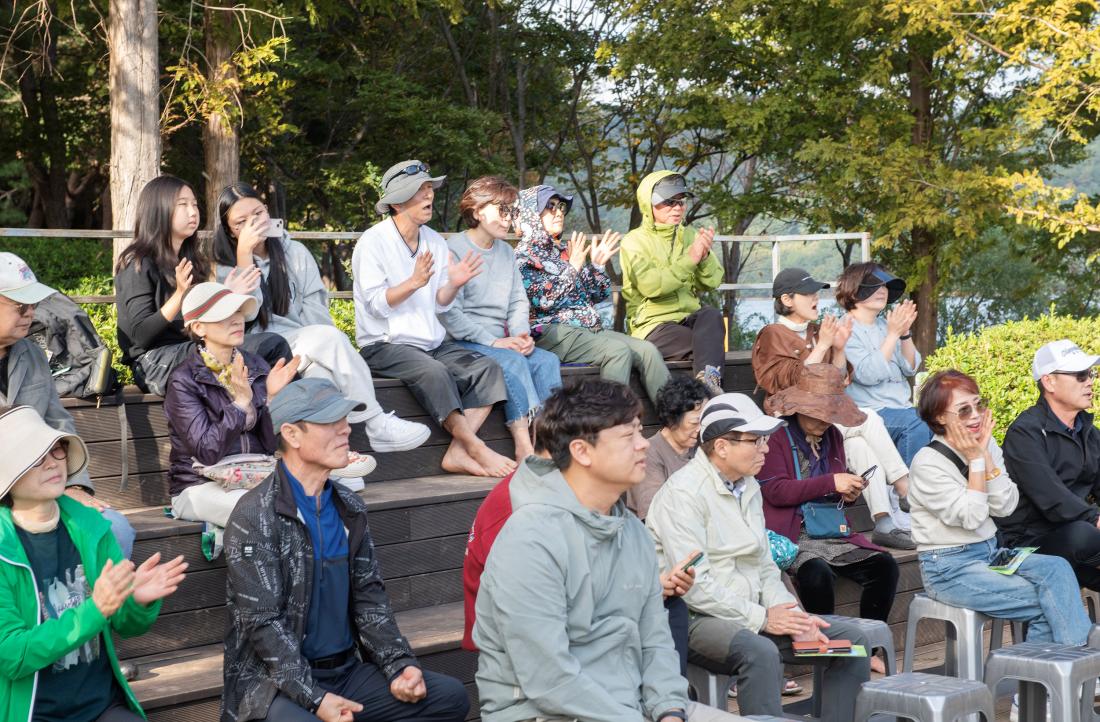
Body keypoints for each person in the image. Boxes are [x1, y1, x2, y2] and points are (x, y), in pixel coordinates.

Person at [472, 379, 738, 722]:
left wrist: (670, 710)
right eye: (629, 436)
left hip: (633, 706)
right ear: (582, 451)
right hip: (546, 713)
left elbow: (656, 642)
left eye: (641, 432)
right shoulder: (530, 539)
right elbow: (549, 679)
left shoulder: (633, 533)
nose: (644, 445)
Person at [221, 378, 470, 722]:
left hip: (346, 673)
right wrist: (315, 699)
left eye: (345, 420)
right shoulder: (254, 515)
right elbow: (262, 624)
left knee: (450, 698)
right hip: (272, 684)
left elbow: (370, 598)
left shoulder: (349, 507)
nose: (345, 430)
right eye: (330, 422)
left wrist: (398, 666)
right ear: (292, 434)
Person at [646, 392, 871, 722]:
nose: (766, 448)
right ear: (722, 446)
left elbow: (765, 565)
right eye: (757, 440)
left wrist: (790, 613)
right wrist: (764, 619)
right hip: (696, 618)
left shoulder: (748, 485)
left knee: (853, 640)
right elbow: (696, 588)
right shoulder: (683, 495)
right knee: (760, 652)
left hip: (753, 611)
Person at [212, 182, 431, 454]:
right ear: (230, 231)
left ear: (268, 211)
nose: (253, 224)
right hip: (257, 349)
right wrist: (244, 255)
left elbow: (316, 313)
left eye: (258, 214)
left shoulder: (295, 254)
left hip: (304, 346)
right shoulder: (223, 265)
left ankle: (336, 463)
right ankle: (375, 422)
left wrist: (321, 353)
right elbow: (249, 313)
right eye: (241, 222)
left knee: (321, 373)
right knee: (326, 342)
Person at [0, 405, 187, 722]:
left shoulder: (92, 527)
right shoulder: (4, 549)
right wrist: (96, 609)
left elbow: (127, 626)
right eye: (35, 457)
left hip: (100, 705)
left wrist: (137, 601)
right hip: (34, 712)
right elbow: (13, 656)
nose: (52, 463)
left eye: (56, 449)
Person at [352, 159, 515, 478]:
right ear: (397, 202)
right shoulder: (373, 242)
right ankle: (476, 447)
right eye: (420, 190)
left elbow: (440, 304)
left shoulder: (435, 242)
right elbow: (374, 305)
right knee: (435, 372)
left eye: (430, 188)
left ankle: (457, 452)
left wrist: (453, 283)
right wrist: (413, 282)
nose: (429, 196)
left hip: (429, 343)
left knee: (488, 368)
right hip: (385, 344)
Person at [909, 369, 1091, 646]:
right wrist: (977, 462)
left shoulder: (985, 444)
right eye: (963, 410)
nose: (975, 416)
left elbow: (1006, 506)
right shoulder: (928, 463)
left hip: (991, 553)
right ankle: (1055, 679)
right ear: (939, 418)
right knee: (1049, 601)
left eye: (978, 405)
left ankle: (1063, 676)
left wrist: (986, 460)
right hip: (949, 567)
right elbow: (972, 517)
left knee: (1057, 568)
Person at [164, 282, 368, 529]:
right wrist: (240, 404)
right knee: (269, 509)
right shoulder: (184, 380)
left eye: (239, 312)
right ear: (198, 327)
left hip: (256, 475)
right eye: (225, 315)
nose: (237, 320)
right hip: (199, 486)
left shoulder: (257, 365)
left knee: (333, 503)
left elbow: (272, 446)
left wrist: (272, 399)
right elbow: (207, 451)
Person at [753, 266, 914, 549]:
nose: (816, 297)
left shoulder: (819, 331)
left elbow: (838, 383)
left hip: (826, 422)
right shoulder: (772, 334)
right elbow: (789, 382)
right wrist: (823, 345)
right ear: (787, 300)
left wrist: (838, 350)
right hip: (793, 419)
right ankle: (905, 487)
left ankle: (884, 521)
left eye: (816, 292)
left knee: (862, 448)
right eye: (807, 293)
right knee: (869, 418)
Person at [758, 364, 899, 673]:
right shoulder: (778, 437)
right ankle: (826, 652)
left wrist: (844, 492)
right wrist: (831, 483)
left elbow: (829, 488)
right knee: (816, 573)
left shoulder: (833, 435)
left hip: (831, 531)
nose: (823, 421)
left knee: (885, 566)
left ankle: (868, 650)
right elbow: (776, 492)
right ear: (798, 408)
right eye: (816, 414)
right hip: (792, 535)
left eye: (828, 414)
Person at [0, 252, 136, 557]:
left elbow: (58, 423)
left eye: (33, 305)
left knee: (115, 530)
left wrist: (74, 485)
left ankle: (93, 605)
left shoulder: (32, 355)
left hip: (39, 489)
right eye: (20, 306)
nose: (30, 314)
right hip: (12, 498)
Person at [114, 175, 292, 396]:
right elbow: (139, 336)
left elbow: (204, 326)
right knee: (248, 351)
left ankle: (287, 420)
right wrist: (180, 294)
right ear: (158, 209)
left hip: (194, 348)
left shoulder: (189, 260)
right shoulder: (138, 262)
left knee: (272, 346)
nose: (193, 212)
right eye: (183, 205)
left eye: (195, 204)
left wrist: (226, 297)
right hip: (154, 361)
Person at [440, 176, 561, 461]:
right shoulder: (453, 248)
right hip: (464, 342)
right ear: (478, 211)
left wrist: (520, 335)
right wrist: (494, 341)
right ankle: (523, 444)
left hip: (501, 339)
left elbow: (518, 300)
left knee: (547, 361)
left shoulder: (506, 252)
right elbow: (449, 314)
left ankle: (547, 441)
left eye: (513, 211)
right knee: (513, 361)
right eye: (502, 210)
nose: (509, 218)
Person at [515, 184, 672, 404]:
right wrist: (573, 268)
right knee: (617, 351)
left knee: (647, 351)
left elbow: (596, 295)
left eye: (560, 206)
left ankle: (676, 421)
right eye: (550, 206)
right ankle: (610, 426)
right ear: (531, 213)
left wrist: (596, 266)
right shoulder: (523, 258)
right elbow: (543, 301)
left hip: (585, 329)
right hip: (551, 331)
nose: (559, 211)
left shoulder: (562, 251)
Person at [997, 340, 1100, 590]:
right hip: (1025, 545)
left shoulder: (1089, 431)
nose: (1089, 381)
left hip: (1077, 539)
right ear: (1049, 381)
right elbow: (1052, 498)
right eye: (1080, 375)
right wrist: (1095, 518)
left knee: (1084, 536)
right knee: (1083, 535)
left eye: (1090, 373)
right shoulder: (1025, 433)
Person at [620, 171, 726, 393]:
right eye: (668, 202)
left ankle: (708, 384)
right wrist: (691, 259)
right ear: (648, 205)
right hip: (652, 326)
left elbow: (713, 280)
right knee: (707, 342)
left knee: (712, 316)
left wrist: (705, 257)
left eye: (680, 202)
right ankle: (708, 392)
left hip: (687, 318)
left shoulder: (690, 235)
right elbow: (651, 285)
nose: (677, 208)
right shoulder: (633, 241)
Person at [836, 262, 931, 467]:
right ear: (853, 291)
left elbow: (910, 367)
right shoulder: (845, 329)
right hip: (870, 413)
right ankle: (909, 495)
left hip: (903, 409)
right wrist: (893, 334)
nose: (882, 291)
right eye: (874, 286)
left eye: (885, 286)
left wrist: (904, 333)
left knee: (945, 417)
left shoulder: (884, 325)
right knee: (917, 423)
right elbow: (868, 375)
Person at [626, 375, 712, 521]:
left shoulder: (701, 448)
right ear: (672, 419)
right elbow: (655, 514)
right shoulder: (648, 454)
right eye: (694, 423)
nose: (700, 429)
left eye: (704, 422)